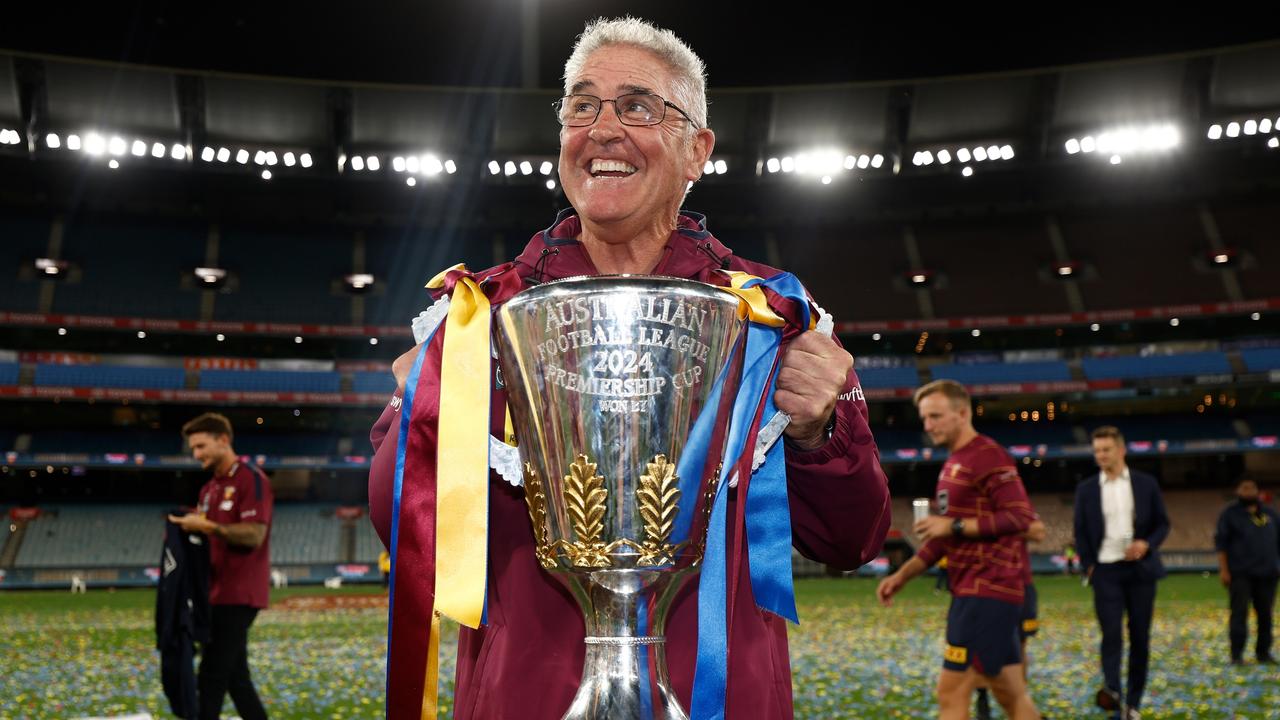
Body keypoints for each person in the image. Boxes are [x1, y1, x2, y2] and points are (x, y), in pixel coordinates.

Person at [366, 17, 891, 720]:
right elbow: (403, 527)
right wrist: (418, 418)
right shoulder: (477, 316)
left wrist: (824, 428)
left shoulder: (769, 316)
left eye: (638, 106)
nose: (603, 129)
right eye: (582, 105)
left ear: (697, 148)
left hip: (719, 698)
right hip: (526, 700)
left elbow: (851, 540)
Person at [877, 380, 1042, 720]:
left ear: (963, 413)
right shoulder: (954, 464)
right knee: (1010, 692)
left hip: (986, 592)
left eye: (936, 416)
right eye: (924, 418)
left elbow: (1020, 516)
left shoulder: (988, 455)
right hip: (977, 592)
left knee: (952, 691)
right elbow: (943, 541)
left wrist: (951, 525)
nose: (928, 425)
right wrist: (903, 575)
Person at [168, 412, 273, 720]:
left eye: (201, 446)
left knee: (210, 676)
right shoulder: (208, 489)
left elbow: (254, 534)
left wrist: (208, 527)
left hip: (239, 595)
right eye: (193, 448)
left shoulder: (251, 479)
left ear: (223, 440)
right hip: (213, 593)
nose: (196, 454)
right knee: (236, 679)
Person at [1072, 426, 1170, 720]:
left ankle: (1133, 704)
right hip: (1105, 572)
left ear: (1121, 450)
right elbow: (1080, 531)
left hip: (1141, 572)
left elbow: (1163, 524)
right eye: (1097, 450)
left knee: (1140, 638)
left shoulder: (1146, 484)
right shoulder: (1086, 489)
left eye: (1106, 449)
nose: (1101, 455)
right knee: (1111, 634)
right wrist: (1089, 565)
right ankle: (1113, 693)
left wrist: (1146, 544)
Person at [1214, 478, 1280, 665]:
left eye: (1252, 487)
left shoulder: (1270, 513)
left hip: (1268, 574)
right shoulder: (1229, 514)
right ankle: (1237, 655)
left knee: (1266, 615)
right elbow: (1221, 545)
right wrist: (1224, 570)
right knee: (1239, 615)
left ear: (1257, 490)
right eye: (1244, 487)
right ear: (1238, 490)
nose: (1248, 491)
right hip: (1240, 574)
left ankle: (1264, 653)